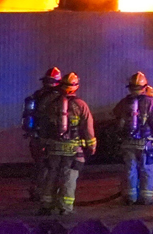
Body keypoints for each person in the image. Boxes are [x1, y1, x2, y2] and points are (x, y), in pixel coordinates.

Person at [35, 71, 96, 215]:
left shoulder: (51, 104)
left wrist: (42, 144)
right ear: (76, 87)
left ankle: (46, 205)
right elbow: (88, 128)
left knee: (51, 175)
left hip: (53, 148)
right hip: (73, 150)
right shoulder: (81, 105)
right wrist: (91, 146)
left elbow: (44, 126)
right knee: (69, 177)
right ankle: (65, 207)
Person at [112, 71, 153, 205]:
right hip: (145, 143)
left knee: (130, 169)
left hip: (127, 143)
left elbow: (115, 117)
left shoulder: (124, 102)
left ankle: (130, 197)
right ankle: (146, 198)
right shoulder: (150, 102)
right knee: (146, 169)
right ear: (144, 87)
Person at [22, 67, 62, 201]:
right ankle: (46, 193)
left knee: (40, 165)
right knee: (51, 165)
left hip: (36, 136)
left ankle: (37, 191)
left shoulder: (37, 95)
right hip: (51, 138)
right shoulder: (60, 98)